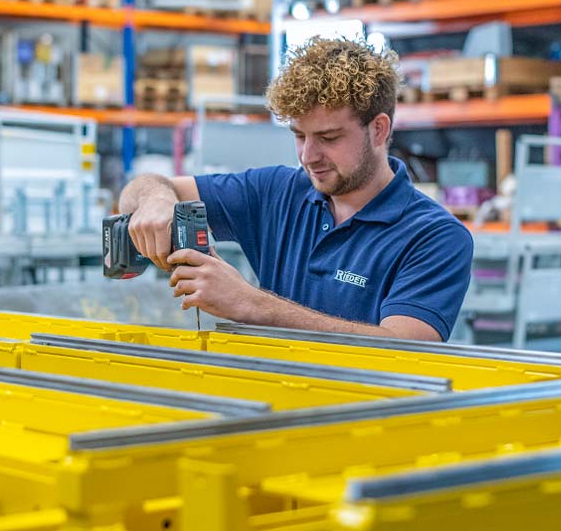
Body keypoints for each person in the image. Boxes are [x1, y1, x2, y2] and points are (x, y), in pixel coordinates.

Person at [118, 36, 473, 341]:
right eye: (299, 136)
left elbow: (403, 349)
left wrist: (250, 304)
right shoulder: (275, 192)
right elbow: (147, 186)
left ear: (379, 130)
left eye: (328, 138)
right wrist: (156, 202)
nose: (308, 156)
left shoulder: (435, 237)